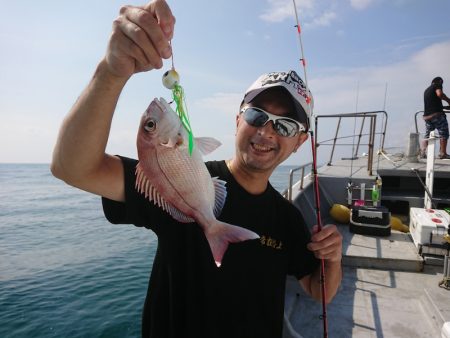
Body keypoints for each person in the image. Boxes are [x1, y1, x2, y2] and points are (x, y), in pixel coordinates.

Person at [51, 1, 343, 337]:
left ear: (300, 142)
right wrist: (112, 71)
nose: (265, 132)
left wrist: (333, 259)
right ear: (238, 121)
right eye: (255, 116)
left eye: (285, 126)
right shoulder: (175, 182)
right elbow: (70, 167)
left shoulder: (287, 219)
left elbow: (319, 289)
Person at [420, 76, 450, 159]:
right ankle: (443, 153)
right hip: (436, 115)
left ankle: (422, 152)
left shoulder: (427, 90)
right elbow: (440, 94)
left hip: (427, 117)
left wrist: (444, 107)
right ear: (439, 81)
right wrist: (449, 100)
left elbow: (433, 103)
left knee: (428, 135)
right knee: (444, 133)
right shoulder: (437, 84)